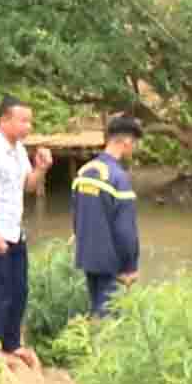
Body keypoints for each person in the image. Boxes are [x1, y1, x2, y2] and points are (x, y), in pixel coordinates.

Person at [0, 95, 54, 368]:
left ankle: (12, 343)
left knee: (19, 288)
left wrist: (41, 168)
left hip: (13, 230)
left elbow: (28, 186)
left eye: (30, 121)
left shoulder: (18, 150)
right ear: (4, 119)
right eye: (23, 121)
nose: (28, 126)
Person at [72, 116, 144, 316]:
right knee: (110, 316)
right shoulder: (118, 177)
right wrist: (130, 266)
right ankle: (104, 347)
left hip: (87, 256)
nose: (134, 148)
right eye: (135, 143)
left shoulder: (84, 171)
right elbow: (125, 230)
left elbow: (76, 214)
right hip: (112, 262)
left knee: (96, 309)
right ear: (127, 141)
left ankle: (91, 345)